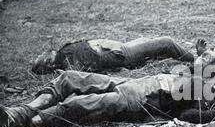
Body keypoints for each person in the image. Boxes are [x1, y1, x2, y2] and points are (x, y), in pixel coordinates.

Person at [0, 70, 215, 127]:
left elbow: (188, 116)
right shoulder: (199, 81)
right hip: (135, 83)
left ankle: (24, 118)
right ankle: (22, 110)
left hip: (141, 99)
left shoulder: (198, 103)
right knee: (69, 78)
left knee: (81, 104)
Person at [30, 36, 195, 74]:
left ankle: (184, 58)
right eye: (46, 58)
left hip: (117, 49)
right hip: (120, 53)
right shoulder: (67, 62)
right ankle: (197, 59)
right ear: (50, 64)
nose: (49, 52)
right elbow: (90, 67)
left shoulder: (64, 53)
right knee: (166, 42)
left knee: (151, 43)